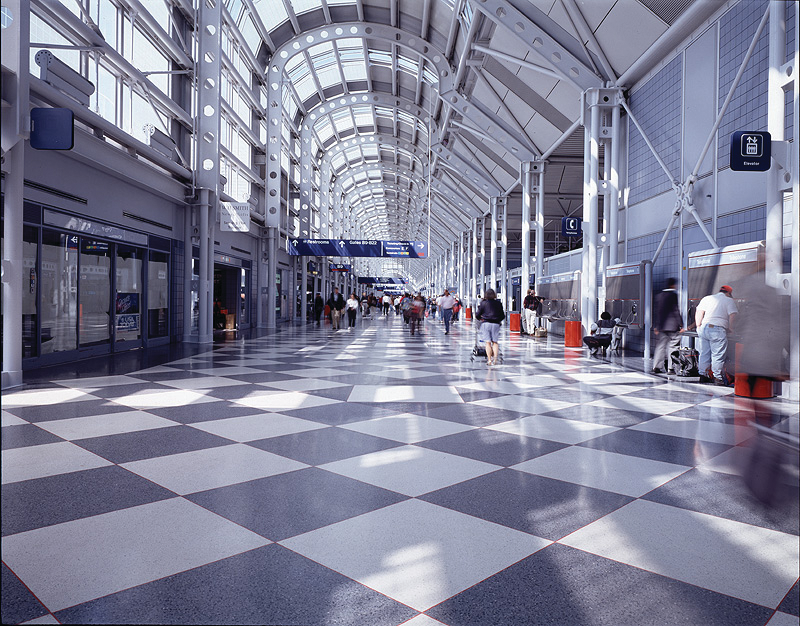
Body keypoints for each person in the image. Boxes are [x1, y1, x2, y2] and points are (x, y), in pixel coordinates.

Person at [695, 285, 738, 384]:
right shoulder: (728, 300)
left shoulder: (707, 298)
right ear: (729, 293)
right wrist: (731, 328)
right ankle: (717, 377)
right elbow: (733, 315)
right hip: (717, 329)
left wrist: (698, 326)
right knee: (717, 355)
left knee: (704, 353)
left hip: (704, 328)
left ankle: (703, 375)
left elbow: (699, 312)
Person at [652, 278, 683, 373]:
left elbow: (657, 312)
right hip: (673, 326)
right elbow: (675, 310)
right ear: (672, 285)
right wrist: (681, 324)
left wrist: (656, 326)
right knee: (673, 346)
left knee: (660, 346)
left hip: (662, 327)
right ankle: (671, 368)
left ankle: (656, 366)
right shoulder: (673, 295)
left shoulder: (659, 296)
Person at [475, 289, 505, 365]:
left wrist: (480, 319)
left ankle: (489, 360)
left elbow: (477, 314)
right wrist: (498, 320)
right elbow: (502, 315)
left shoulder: (483, 303)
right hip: (495, 324)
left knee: (487, 342)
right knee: (495, 342)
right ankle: (495, 359)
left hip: (486, 323)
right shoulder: (498, 303)